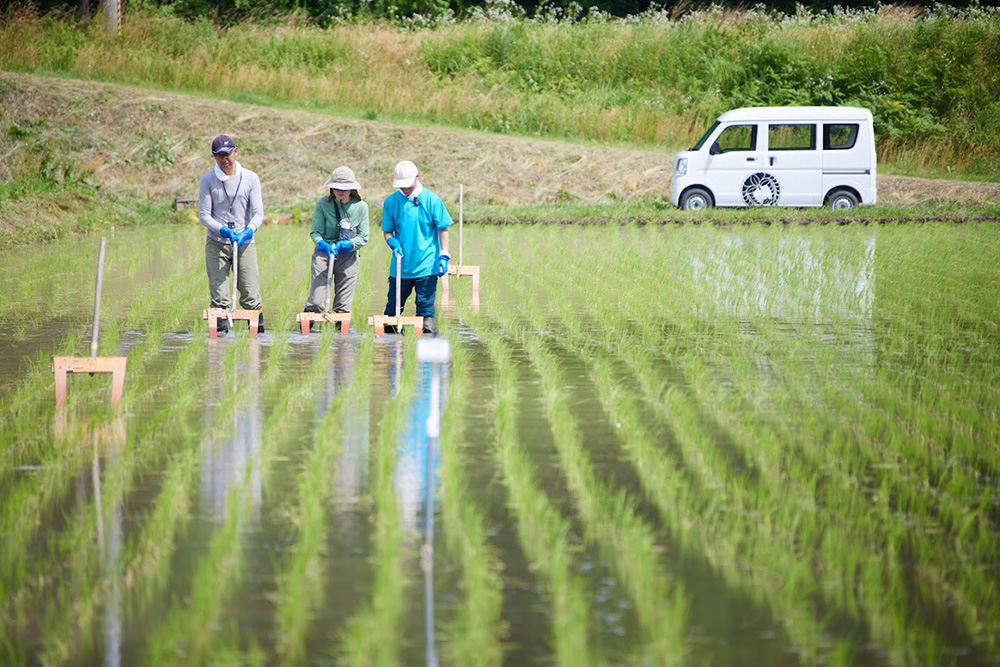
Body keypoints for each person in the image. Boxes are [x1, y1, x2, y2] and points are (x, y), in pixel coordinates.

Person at [198, 134, 265, 334]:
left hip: (244, 242)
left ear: (236, 152)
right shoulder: (208, 179)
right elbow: (204, 215)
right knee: (219, 295)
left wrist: (248, 230)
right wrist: (222, 230)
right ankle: (220, 341)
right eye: (219, 156)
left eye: (228, 154)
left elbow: (259, 214)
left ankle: (257, 337)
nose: (224, 159)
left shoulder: (250, 178)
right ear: (214, 157)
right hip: (217, 242)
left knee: (250, 292)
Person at [380, 160, 452, 335]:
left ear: (417, 177)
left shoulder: (431, 200)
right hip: (400, 266)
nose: (404, 188)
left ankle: (426, 356)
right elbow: (387, 231)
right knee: (392, 311)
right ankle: (394, 351)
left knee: (426, 313)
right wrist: (392, 242)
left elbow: (443, 229)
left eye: (407, 184)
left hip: (426, 264)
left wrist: (443, 255)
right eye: (401, 185)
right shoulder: (391, 202)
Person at [304, 166, 370, 320]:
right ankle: (307, 336)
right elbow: (315, 232)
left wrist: (349, 244)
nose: (341, 191)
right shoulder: (323, 204)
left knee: (342, 306)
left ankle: (341, 339)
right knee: (316, 302)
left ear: (352, 189)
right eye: (337, 188)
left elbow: (364, 237)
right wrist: (323, 244)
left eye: (345, 188)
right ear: (332, 188)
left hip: (348, 256)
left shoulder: (360, 207)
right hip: (324, 253)